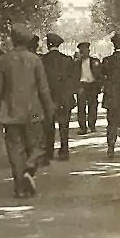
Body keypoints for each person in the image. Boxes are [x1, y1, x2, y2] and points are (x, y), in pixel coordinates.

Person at [0, 25, 54, 198]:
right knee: (38, 145)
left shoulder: (3, 60)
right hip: (33, 111)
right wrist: (49, 110)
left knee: (15, 149)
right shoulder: (35, 60)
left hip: (10, 112)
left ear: (12, 39)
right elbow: (43, 89)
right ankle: (29, 168)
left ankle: (20, 186)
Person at [40, 33, 75, 162]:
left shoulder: (42, 60)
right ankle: (64, 150)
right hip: (64, 97)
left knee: (48, 127)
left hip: (48, 98)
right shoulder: (67, 59)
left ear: (48, 44)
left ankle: (48, 152)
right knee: (64, 126)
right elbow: (72, 79)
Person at [75, 41, 103, 134]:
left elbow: (100, 75)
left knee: (93, 106)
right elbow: (73, 76)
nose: (83, 52)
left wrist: (99, 86)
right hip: (82, 85)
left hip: (92, 85)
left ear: (89, 51)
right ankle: (83, 127)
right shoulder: (76, 63)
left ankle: (92, 125)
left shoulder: (95, 61)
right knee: (81, 107)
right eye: (81, 50)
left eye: (85, 50)